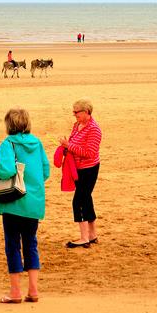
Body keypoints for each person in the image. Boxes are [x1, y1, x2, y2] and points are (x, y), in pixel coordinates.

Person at [0, 107, 50, 303]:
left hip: (14, 201)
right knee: (31, 243)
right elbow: (46, 172)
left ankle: (15, 292)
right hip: (34, 202)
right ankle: (33, 290)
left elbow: (6, 170)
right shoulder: (37, 142)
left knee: (13, 245)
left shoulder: (8, 143)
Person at [59, 98, 102, 248]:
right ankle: (92, 234)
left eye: (77, 111)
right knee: (86, 199)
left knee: (79, 201)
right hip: (77, 169)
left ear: (87, 112)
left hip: (89, 169)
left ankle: (84, 238)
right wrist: (67, 147)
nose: (74, 114)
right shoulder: (77, 125)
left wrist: (68, 146)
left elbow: (89, 153)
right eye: (74, 111)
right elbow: (74, 144)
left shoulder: (94, 130)